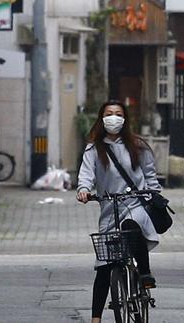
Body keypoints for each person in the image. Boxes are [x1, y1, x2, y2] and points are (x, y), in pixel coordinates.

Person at [76, 100, 162, 323]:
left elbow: (150, 175)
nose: (113, 118)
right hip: (109, 208)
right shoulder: (94, 149)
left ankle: (144, 273)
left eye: (118, 114)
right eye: (109, 114)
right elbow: (86, 175)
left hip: (136, 203)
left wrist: (152, 193)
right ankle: (96, 318)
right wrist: (84, 190)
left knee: (132, 227)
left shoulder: (138, 146)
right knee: (105, 266)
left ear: (124, 119)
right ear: (101, 118)